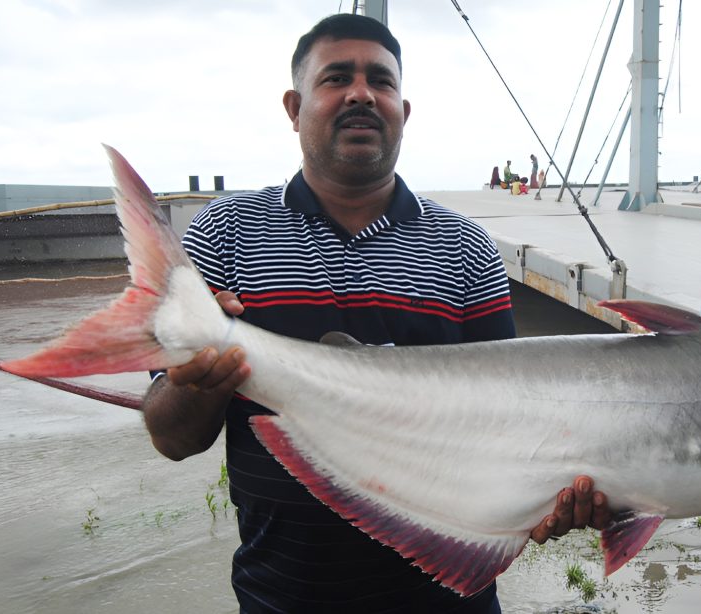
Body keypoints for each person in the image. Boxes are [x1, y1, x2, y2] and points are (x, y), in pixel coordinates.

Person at [141, 14, 608, 613]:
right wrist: (196, 375)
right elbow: (171, 435)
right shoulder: (224, 235)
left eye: (380, 82)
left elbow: (514, 424)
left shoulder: (466, 248)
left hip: (449, 598)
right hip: (281, 595)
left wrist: (556, 495)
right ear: (294, 105)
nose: (361, 93)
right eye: (337, 78)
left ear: (402, 111)